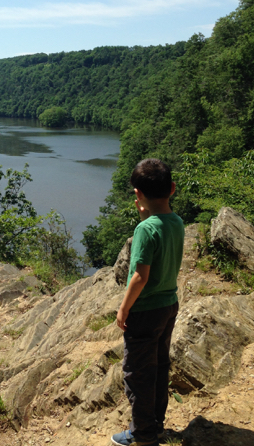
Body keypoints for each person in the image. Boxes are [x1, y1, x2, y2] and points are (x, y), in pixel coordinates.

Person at [111, 159, 184, 446]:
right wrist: (145, 217)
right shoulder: (176, 221)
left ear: (137, 194)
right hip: (169, 306)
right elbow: (158, 237)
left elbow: (140, 277)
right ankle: (156, 425)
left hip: (144, 312)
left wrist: (124, 307)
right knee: (158, 368)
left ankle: (143, 435)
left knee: (138, 375)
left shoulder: (145, 230)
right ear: (173, 189)